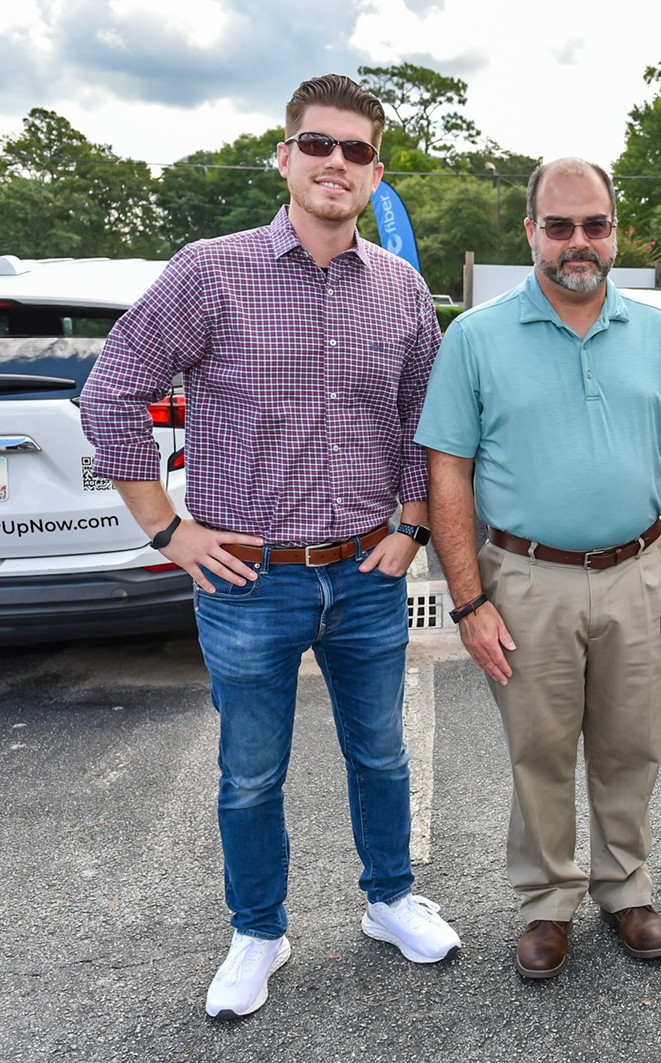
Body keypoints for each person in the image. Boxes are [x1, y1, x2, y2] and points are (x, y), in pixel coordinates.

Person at [80, 73, 459, 1019]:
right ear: (285, 156)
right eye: (319, 145)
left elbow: (425, 419)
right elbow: (112, 391)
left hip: (368, 571)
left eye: (357, 151)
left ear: (375, 172)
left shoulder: (403, 289)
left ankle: (388, 900)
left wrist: (412, 524)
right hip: (250, 579)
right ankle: (259, 929)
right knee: (251, 771)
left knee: (381, 754)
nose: (337, 164)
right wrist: (167, 529)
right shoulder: (211, 271)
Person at [419, 157, 661, 980]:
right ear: (530, 234)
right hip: (523, 578)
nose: (577, 242)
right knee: (539, 749)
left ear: (616, 231)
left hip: (638, 570)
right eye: (559, 226)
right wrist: (468, 598)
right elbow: (449, 471)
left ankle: (625, 885)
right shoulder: (475, 337)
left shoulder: (657, 334)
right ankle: (547, 899)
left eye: (594, 224)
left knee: (631, 744)